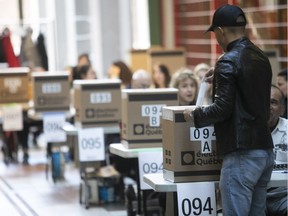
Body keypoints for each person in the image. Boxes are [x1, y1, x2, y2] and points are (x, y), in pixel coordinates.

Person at [183, 4, 274, 215]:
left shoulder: (227, 62)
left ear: (221, 31)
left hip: (241, 153)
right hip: (264, 151)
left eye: (215, 33)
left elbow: (221, 109)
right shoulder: (261, 57)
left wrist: (195, 114)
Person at [266, 85, 287, 216]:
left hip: (284, 194)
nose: (267, 106)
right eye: (263, 101)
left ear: (282, 110)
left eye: (273, 102)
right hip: (256, 193)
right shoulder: (246, 131)